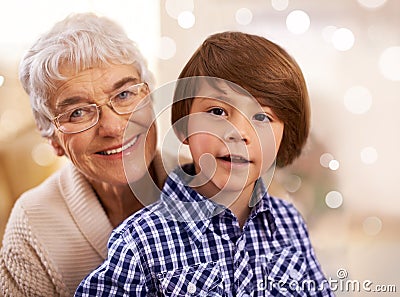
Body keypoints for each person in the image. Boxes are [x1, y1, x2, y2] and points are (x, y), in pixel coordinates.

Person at [75, 32, 334, 296]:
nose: (239, 133)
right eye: (218, 112)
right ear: (184, 124)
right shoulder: (139, 243)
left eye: (262, 116)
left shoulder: (289, 223)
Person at [0, 13, 170, 296]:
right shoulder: (33, 223)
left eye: (125, 95)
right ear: (54, 140)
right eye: (77, 112)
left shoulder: (210, 186)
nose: (113, 127)